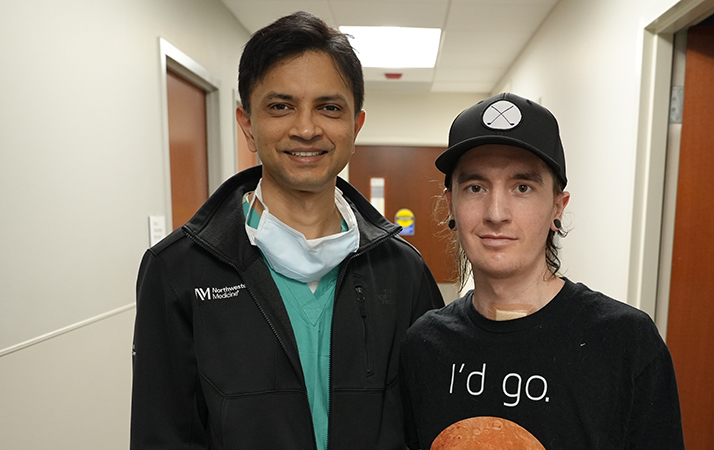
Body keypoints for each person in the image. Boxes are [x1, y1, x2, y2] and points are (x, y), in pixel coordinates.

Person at [131, 11, 443, 450]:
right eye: (281, 106)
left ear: (355, 127)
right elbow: (163, 436)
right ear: (247, 124)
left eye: (329, 108)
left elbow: (428, 426)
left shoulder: (403, 271)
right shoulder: (179, 271)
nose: (306, 129)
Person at [400, 93, 684, 449]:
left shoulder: (624, 343)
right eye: (475, 187)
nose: (496, 213)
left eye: (522, 187)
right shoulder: (424, 346)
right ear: (451, 206)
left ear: (557, 207)